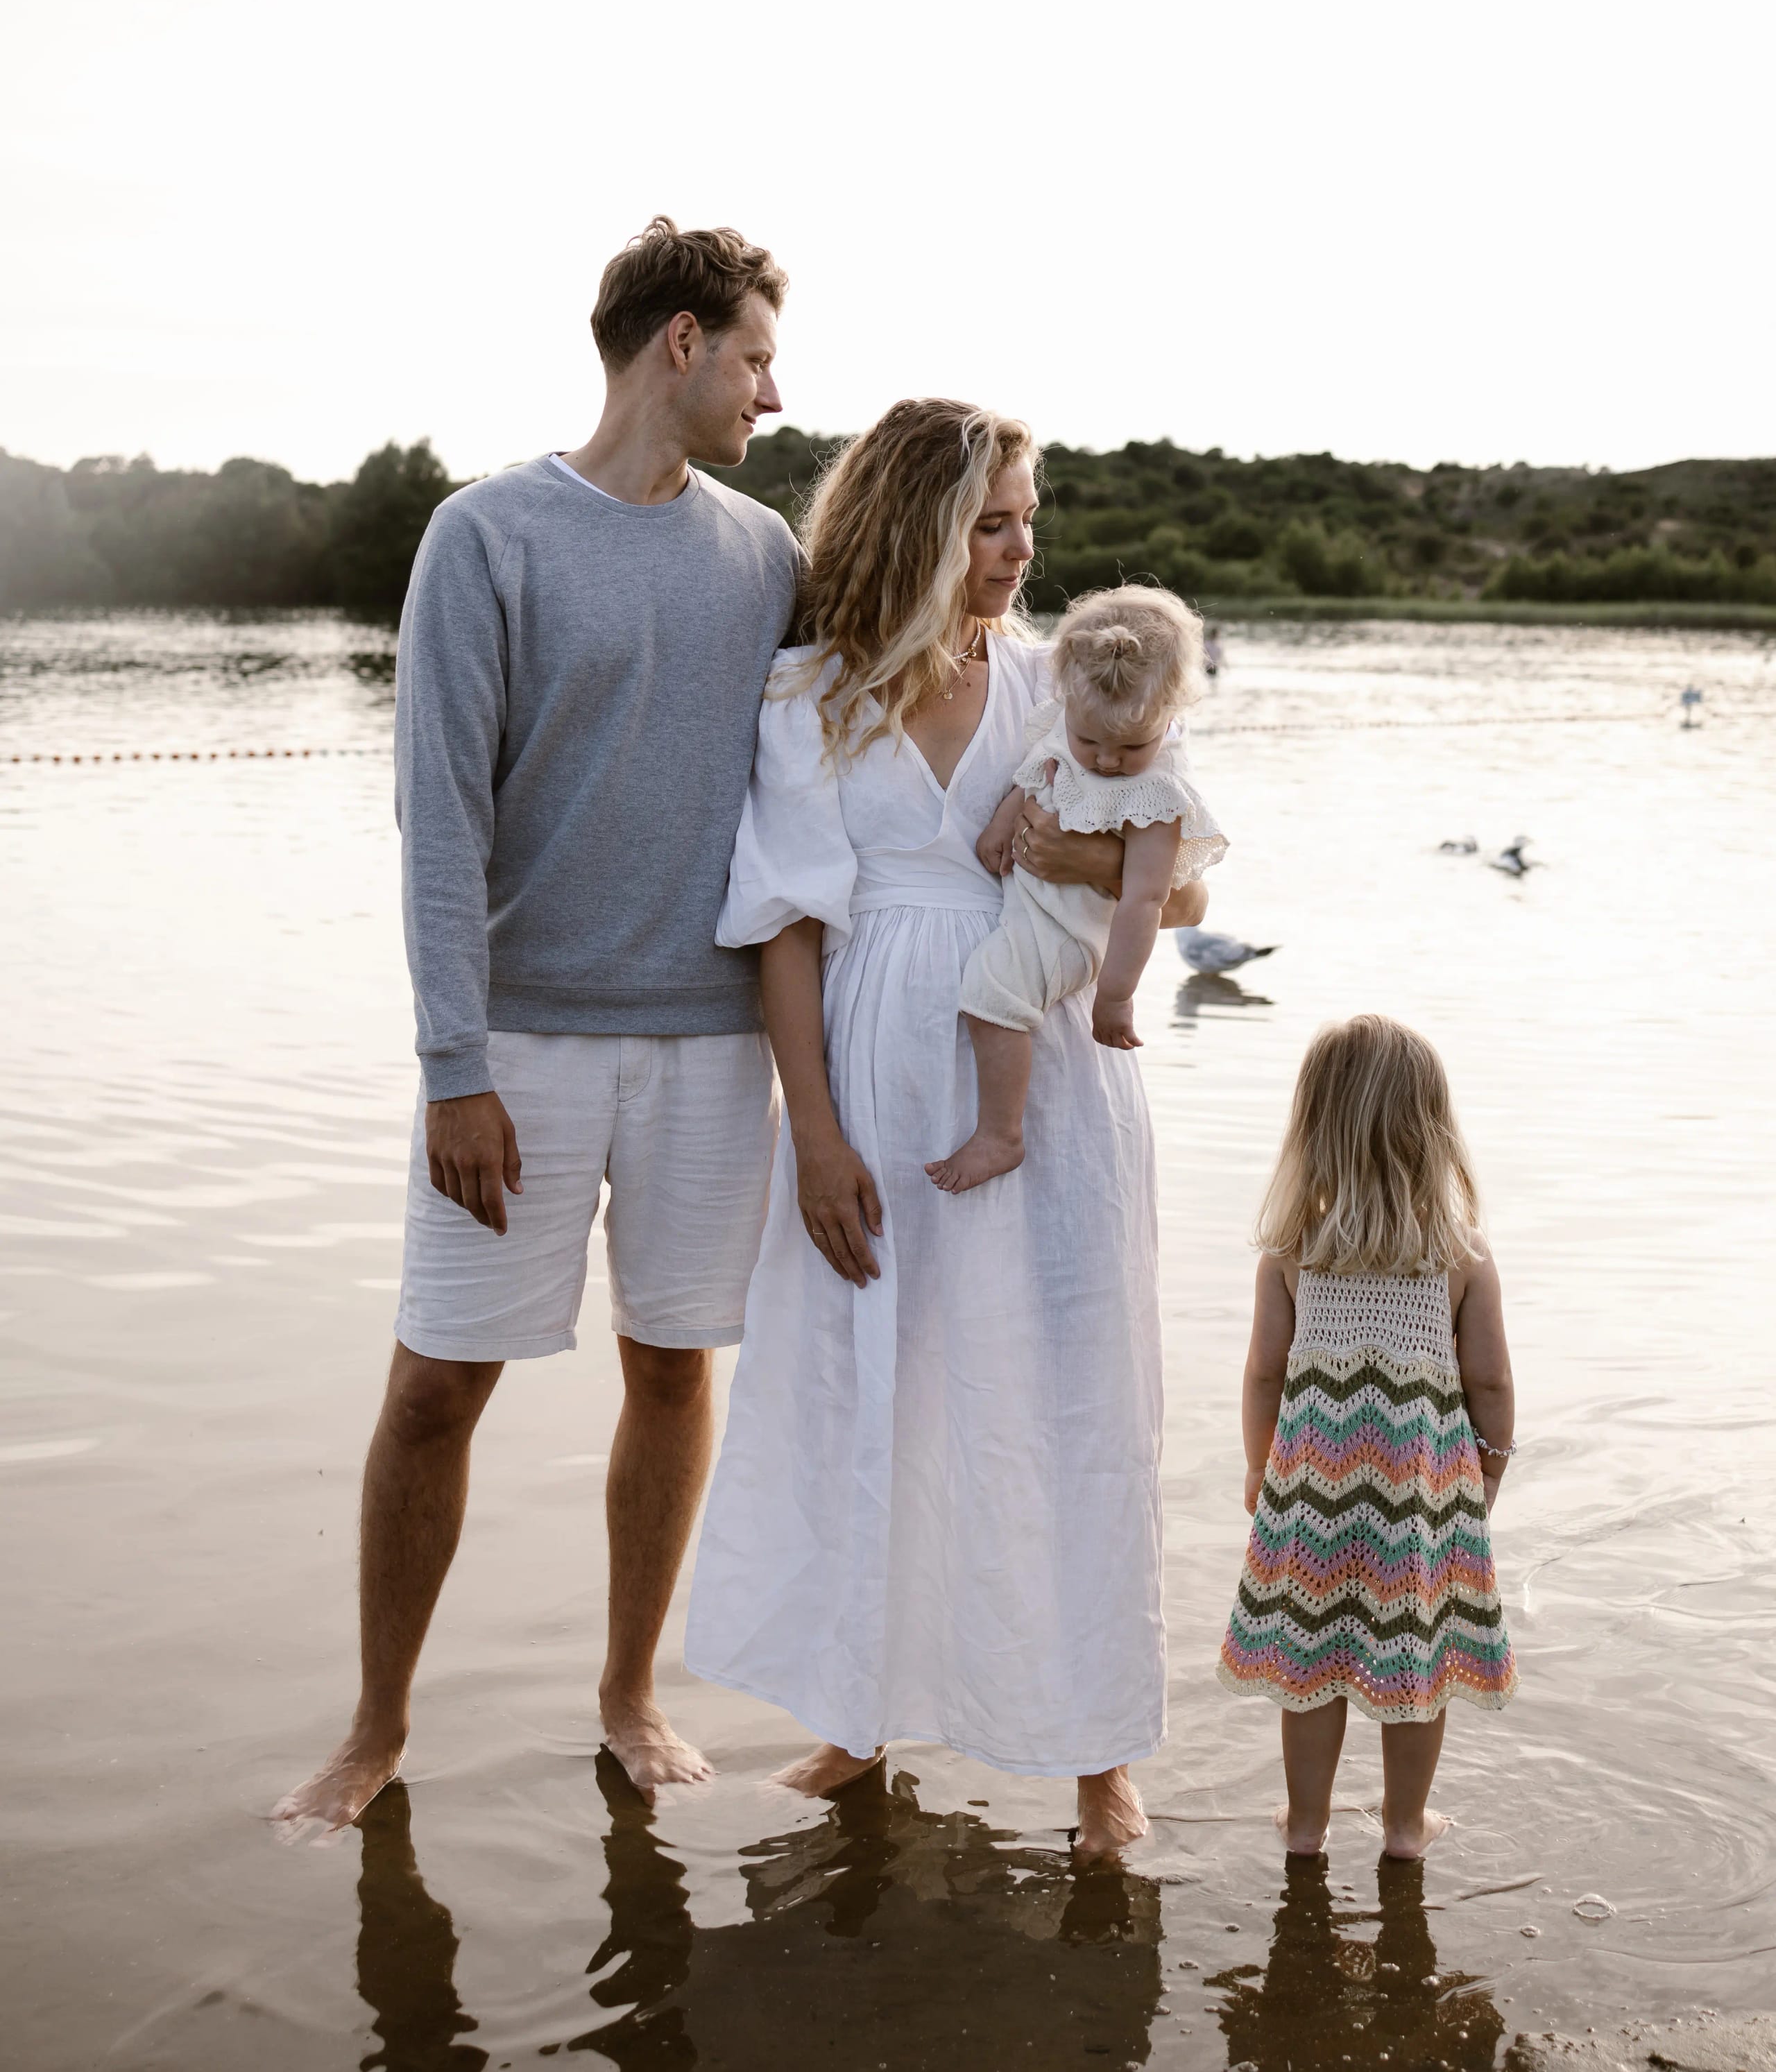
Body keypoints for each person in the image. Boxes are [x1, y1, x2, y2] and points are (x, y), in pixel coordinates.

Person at [273, 217, 801, 1833]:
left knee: (671, 1365)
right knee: (436, 1381)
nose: (773, 393)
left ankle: (628, 1690)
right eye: (758, 354)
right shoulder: (484, 536)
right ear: (679, 345)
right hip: (521, 1047)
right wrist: (455, 1066)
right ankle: (373, 1729)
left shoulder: (764, 555)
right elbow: (439, 824)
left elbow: (845, 762)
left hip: (713, 1049)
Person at [683, 399, 1212, 1863]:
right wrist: (813, 1136)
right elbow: (780, 929)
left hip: (1042, 1075)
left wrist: (1065, 851)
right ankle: (855, 1717)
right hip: (870, 1071)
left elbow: (1184, 891)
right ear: (918, 527)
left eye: (1027, 519)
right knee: (874, 1384)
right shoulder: (808, 695)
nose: (1019, 548)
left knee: (1071, 1391)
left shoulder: (1068, 682)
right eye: (991, 523)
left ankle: (1102, 1748)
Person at [1217, 1016, 1518, 1860]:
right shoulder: (1459, 1252)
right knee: (1414, 1664)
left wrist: (1257, 1467)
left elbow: (1264, 1374)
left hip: (1311, 1490)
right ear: (1432, 1127)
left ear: (1313, 1125)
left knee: (1311, 1663)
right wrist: (1486, 1473)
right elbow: (1489, 1381)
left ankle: (1306, 1830)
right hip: (1420, 1495)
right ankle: (1402, 1830)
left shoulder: (1292, 1248)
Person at [926, 584, 1226, 1194]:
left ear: (1170, 718)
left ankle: (1000, 1134)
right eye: (1093, 742)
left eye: (1131, 748)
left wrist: (1116, 997)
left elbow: (1148, 899)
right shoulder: (1067, 725)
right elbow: (1039, 770)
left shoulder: (1157, 795)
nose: (1108, 761)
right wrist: (1002, 823)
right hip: (1033, 910)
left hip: (1072, 931)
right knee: (991, 987)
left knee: (991, 995)